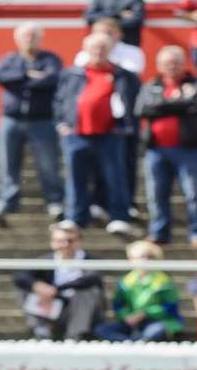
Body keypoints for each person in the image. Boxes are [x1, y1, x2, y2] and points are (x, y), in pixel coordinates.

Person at [56, 33, 141, 238]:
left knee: (115, 176)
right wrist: (61, 123)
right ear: (86, 50)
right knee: (75, 178)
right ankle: (75, 217)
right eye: (94, 48)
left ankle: (119, 216)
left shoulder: (123, 75)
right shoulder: (73, 74)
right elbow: (60, 100)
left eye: (103, 48)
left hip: (111, 134)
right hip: (77, 133)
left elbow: (133, 102)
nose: (98, 52)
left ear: (111, 49)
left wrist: (126, 126)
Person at [0, 23, 65, 222]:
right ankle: (7, 201)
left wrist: (19, 81)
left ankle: (55, 201)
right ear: (17, 39)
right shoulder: (9, 59)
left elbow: (52, 79)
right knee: (8, 164)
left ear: (41, 38)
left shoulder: (50, 59)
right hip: (11, 119)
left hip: (42, 120)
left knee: (48, 165)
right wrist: (27, 76)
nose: (29, 39)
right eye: (25, 36)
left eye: (33, 36)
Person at [135, 45, 197, 247]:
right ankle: (159, 232)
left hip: (190, 149)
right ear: (159, 65)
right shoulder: (151, 85)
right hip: (156, 149)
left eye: (176, 62)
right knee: (156, 194)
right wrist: (182, 103)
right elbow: (143, 109)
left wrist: (164, 105)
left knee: (194, 194)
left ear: (184, 63)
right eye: (167, 63)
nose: (172, 66)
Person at [13, 221, 102, 340]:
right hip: (51, 306)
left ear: (79, 241)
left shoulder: (89, 260)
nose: (65, 244)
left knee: (88, 292)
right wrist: (38, 286)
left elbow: (91, 279)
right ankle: (40, 329)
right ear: (52, 242)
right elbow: (20, 276)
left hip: (78, 310)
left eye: (70, 240)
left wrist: (55, 289)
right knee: (25, 287)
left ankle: (75, 335)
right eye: (60, 241)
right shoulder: (46, 260)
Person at [96, 240, 183, 341]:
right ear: (131, 259)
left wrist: (145, 314)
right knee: (101, 330)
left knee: (155, 331)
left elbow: (170, 307)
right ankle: (131, 343)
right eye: (142, 257)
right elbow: (118, 305)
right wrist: (126, 316)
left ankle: (134, 342)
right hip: (132, 323)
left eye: (149, 257)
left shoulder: (163, 281)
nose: (145, 260)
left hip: (157, 321)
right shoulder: (126, 281)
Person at [73, 17, 146, 76]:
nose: (103, 36)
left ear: (119, 34)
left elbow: (133, 75)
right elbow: (78, 75)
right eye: (98, 32)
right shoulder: (83, 54)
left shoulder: (133, 51)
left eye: (108, 33)